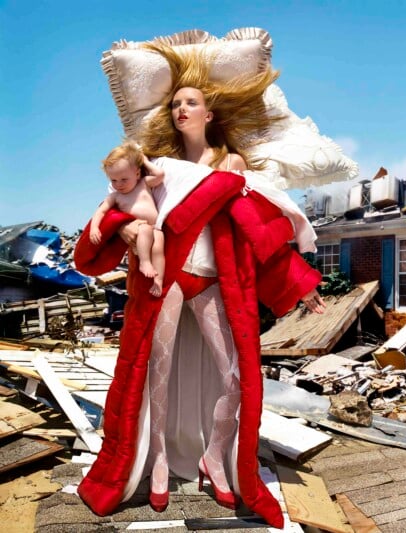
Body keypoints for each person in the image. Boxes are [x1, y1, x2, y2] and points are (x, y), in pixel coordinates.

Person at [76, 43, 325, 529]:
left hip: (213, 279)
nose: (181, 108)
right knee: (157, 375)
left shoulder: (230, 166)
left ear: (209, 113)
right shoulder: (156, 168)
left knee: (236, 376)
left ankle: (215, 454)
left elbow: (260, 231)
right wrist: (125, 228)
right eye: (175, 103)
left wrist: (299, 282)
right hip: (165, 278)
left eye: (190, 102)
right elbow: (122, 211)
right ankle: (162, 459)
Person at [90, 141, 166, 297]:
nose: (118, 184)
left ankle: (158, 281)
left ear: (137, 174)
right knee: (145, 230)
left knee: (158, 250)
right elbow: (101, 211)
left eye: (124, 179)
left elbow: (160, 175)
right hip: (138, 230)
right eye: (113, 180)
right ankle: (145, 262)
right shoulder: (115, 196)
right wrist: (94, 228)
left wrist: (143, 159)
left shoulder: (143, 184)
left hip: (155, 227)